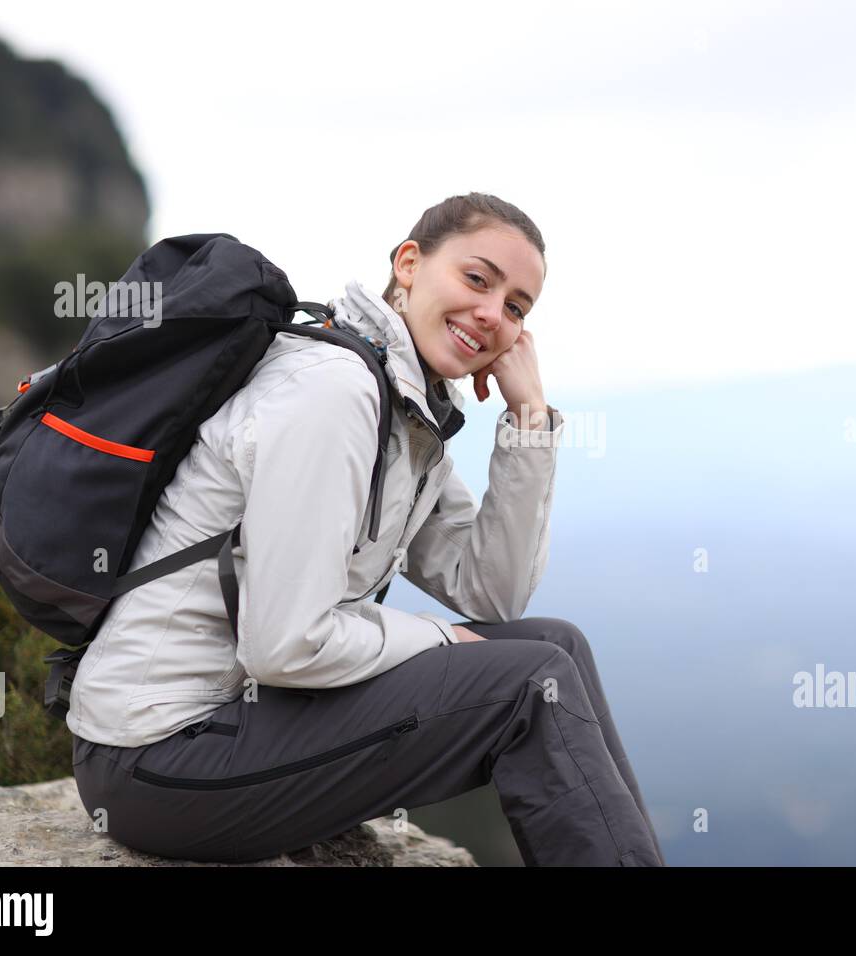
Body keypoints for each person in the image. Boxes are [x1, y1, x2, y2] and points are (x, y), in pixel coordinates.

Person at [69, 192, 666, 866]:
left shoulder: (404, 409)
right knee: (530, 682)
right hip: (158, 758)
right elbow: (285, 645)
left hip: (235, 723)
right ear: (408, 264)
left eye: (517, 308)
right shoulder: (334, 392)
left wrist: (528, 422)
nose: (492, 315)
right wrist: (440, 638)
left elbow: (490, 595)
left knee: (558, 647)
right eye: (478, 279)